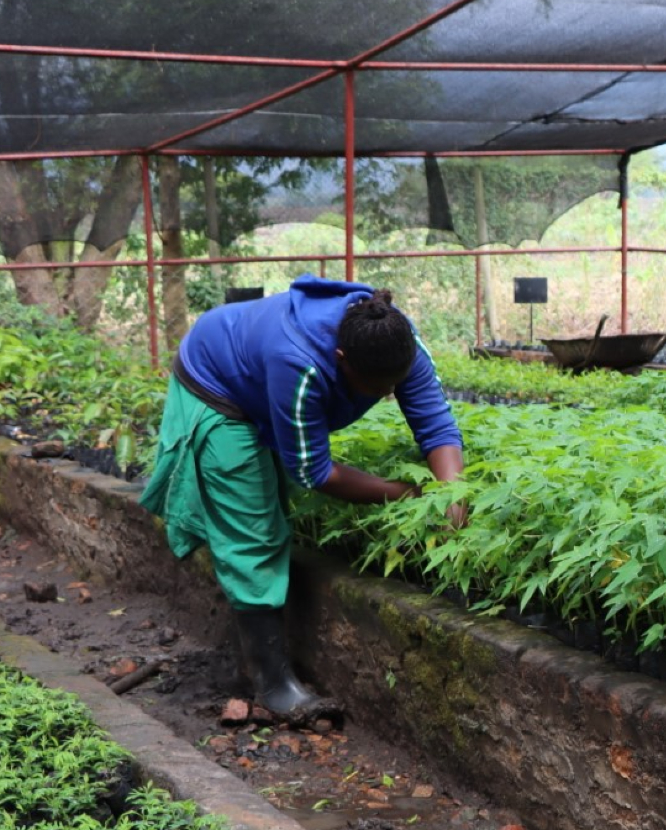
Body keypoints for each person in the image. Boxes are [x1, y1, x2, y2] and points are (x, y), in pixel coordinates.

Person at [139, 276, 466, 719]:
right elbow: (315, 471)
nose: (390, 394)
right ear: (340, 359)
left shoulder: (393, 337)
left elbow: (433, 418)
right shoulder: (298, 360)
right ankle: (272, 684)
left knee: (268, 503)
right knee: (255, 527)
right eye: (376, 388)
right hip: (217, 386)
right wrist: (406, 494)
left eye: (395, 384)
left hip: (256, 369)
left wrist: (451, 492)